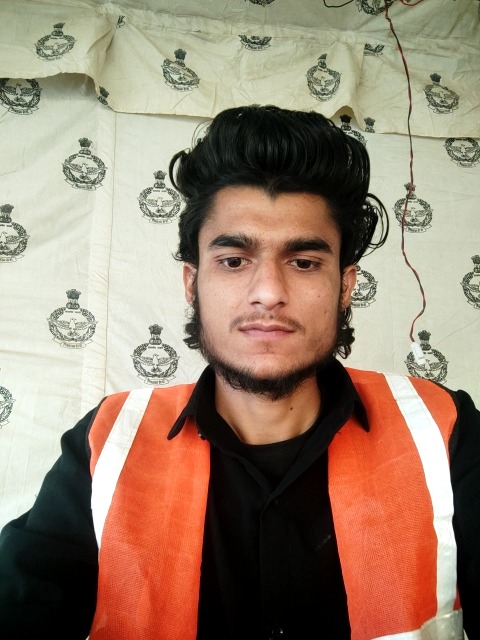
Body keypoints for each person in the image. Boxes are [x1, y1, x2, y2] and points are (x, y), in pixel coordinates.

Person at [0, 105, 479, 640]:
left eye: (304, 262)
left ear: (345, 286)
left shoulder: (443, 428)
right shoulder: (108, 440)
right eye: (233, 261)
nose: (269, 292)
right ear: (192, 283)